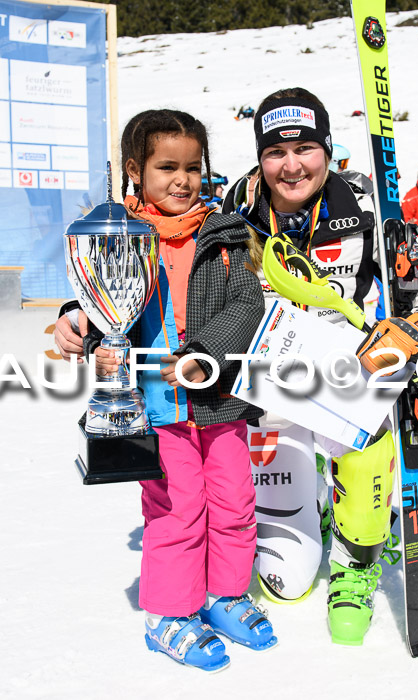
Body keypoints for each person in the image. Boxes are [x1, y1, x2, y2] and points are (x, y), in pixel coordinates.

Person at [223, 87, 418, 645]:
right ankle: (317, 507)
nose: (292, 166)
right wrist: (83, 317)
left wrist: (417, 328)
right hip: (269, 388)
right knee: (286, 585)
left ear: (327, 150)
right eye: (276, 152)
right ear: (260, 157)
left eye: (305, 149)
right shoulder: (234, 208)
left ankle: (356, 564)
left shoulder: (365, 205)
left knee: (369, 436)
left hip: (346, 377)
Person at [54, 108, 278, 671]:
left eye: (193, 167)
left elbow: (248, 304)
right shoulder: (115, 235)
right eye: (167, 167)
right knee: (178, 508)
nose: (183, 180)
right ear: (135, 169)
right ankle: (170, 614)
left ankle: (225, 595)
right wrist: (74, 323)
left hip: (217, 401)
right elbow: (96, 302)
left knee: (234, 502)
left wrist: (207, 350)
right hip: (155, 406)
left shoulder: (224, 234)